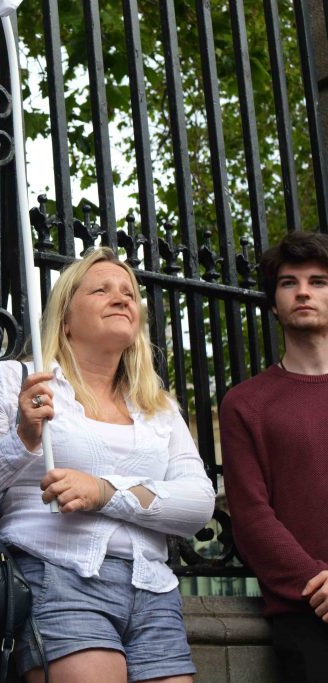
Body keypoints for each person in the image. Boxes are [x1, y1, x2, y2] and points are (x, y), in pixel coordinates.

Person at [0, 247, 215, 683]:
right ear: (65, 319)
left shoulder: (158, 406)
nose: (120, 297)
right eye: (101, 290)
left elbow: (198, 504)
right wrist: (22, 440)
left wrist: (104, 492)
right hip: (57, 574)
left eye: (128, 293)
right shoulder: (16, 381)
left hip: (154, 589)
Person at [219, 230, 328, 683]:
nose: (303, 292)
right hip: (307, 615)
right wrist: (318, 585)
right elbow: (251, 517)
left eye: (318, 281)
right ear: (274, 303)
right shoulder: (246, 404)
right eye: (288, 283)